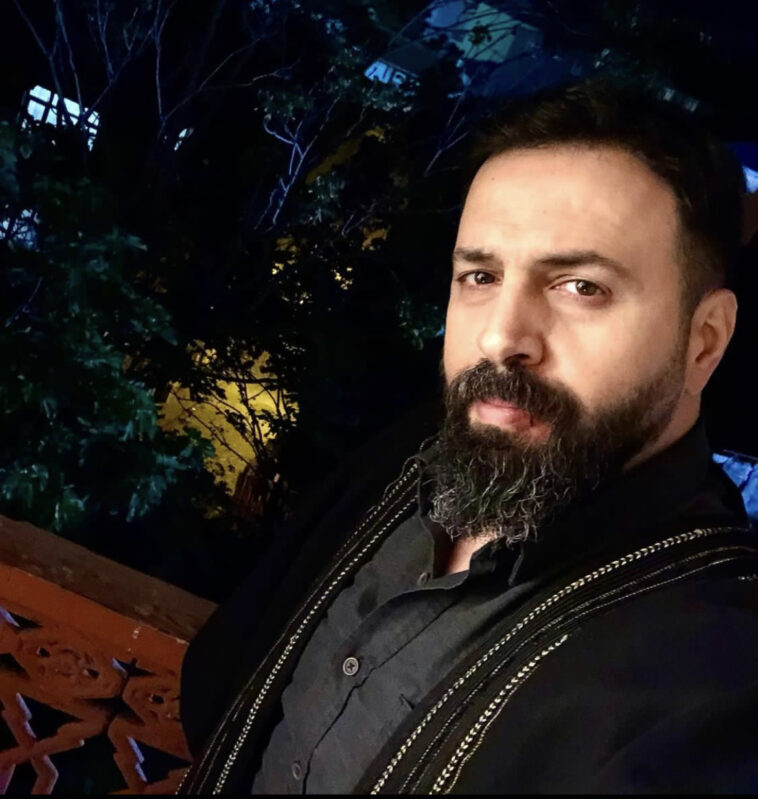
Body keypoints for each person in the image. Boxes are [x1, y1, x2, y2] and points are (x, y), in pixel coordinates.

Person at [178, 80, 758, 794]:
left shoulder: (714, 669)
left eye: (581, 287)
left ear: (704, 341)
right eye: (480, 276)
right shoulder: (418, 455)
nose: (500, 337)